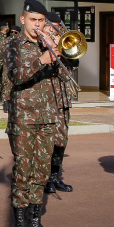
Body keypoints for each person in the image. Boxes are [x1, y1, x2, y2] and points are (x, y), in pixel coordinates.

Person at [4, 0, 58, 227]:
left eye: (41, 21)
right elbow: (16, 75)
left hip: (47, 117)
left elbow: (63, 79)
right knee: (23, 172)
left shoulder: (47, 44)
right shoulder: (12, 45)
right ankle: (21, 226)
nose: (37, 25)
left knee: (42, 172)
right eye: (33, 20)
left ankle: (35, 222)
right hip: (23, 118)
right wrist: (42, 60)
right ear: (23, 19)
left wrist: (58, 53)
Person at [44, 12, 73, 194]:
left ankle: (55, 176)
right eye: (50, 25)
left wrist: (63, 49)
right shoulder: (38, 43)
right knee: (46, 142)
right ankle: (44, 179)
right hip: (45, 100)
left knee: (61, 141)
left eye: (57, 25)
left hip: (62, 99)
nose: (54, 29)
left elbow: (74, 62)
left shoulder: (62, 42)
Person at [0, 23, 9, 104]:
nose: (8, 28)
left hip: (3, 61)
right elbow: (2, 47)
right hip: (0, 61)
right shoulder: (0, 36)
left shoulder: (4, 36)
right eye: (7, 27)